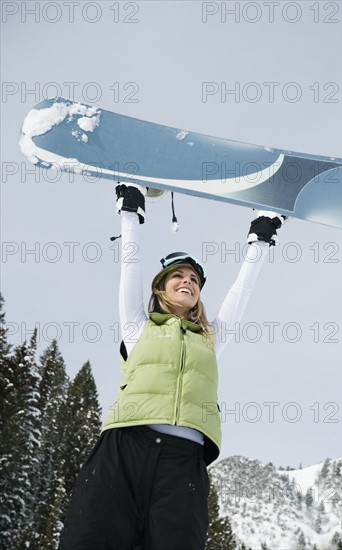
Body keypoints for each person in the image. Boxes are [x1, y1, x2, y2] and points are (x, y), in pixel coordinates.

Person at [58, 183, 287, 550]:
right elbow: (128, 265)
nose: (188, 282)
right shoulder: (137, 325)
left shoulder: (209, 338)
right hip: (125, 450)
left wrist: (259, 239)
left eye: (195, 279)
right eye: (179, 276)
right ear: (161, 287)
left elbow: (240, 293)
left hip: (184, 464)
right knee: (90, 539)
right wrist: (131, 211)